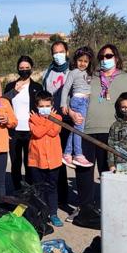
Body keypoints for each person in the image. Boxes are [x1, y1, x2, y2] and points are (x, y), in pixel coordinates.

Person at [76, 44, 127, 212]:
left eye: (108, 56)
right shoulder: (90, 77)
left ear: (116, 58)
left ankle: (109, 207)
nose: (104, 59)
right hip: (87, 131)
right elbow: (76, 97)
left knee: (108, 171)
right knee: (84, 172)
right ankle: (84, 208)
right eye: (101, 57)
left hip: (112, 132)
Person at [42, 39, 72, 214]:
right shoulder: (48, 72)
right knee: (57, 160)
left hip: (71, 119)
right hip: (54, 120)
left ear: (67, 52)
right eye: (55, 52)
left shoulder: (73, 70)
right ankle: (60, 197)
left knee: (73, 158)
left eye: (61, 51)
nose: (58, 55)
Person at [27, 91, 64, 227]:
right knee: (39, 189)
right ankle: (41, 214)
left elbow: (54, 132)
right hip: (36, 160)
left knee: (52, 187)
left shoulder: (58, 117)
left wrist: (48, 120)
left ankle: (53, 213)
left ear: (52, 104)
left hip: (53, 160)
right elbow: (37, 133)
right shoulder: (32, 118)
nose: (44, 108)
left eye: (47, 105)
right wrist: (49, 120)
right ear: (37, 106)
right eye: (41, 106)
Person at [4, 55, 41, 190]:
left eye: (27, 68)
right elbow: (3, 104)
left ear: (31, 69)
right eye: (21, 68)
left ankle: (30, 189)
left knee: (30, 161)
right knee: (15, 162)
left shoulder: (37, 87)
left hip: (31, 130)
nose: (24, 70)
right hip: (14, 130)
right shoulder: (10, 86)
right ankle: (18, 189)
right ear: (17, 69)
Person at [60, 47, 95, 168]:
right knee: (79, 130)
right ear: (76, 60)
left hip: (85, 101)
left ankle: (67, 153)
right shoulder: (73, 72)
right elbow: (66, 88)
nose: (83, 63)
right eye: (80, 60)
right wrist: (63, 104)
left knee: (76, 128)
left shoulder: (89, 73)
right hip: (78, 101)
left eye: (86, 61)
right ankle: (78, 154)